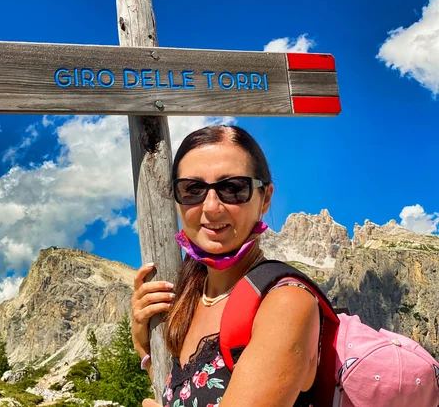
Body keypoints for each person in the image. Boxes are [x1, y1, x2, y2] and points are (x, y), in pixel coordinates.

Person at [131, 125, 322, 407]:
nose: (211, 207)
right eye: (192, 189)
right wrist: (144, 347)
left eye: (232, 188)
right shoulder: (186, 298)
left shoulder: (285, 302)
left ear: (265, 198)